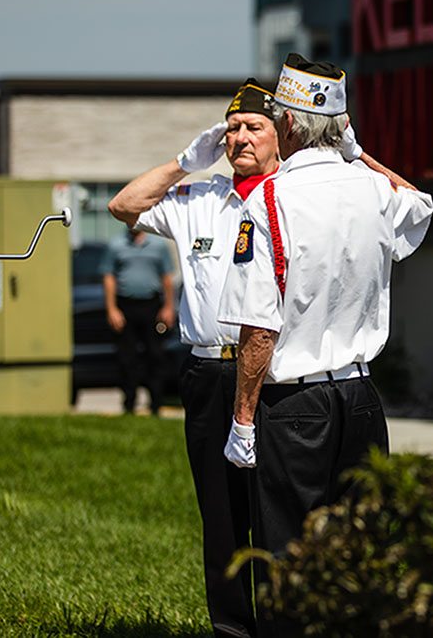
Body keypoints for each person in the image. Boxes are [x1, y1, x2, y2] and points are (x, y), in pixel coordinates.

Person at [218, 54, 433, 634]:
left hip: (294, 404)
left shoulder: (265, 202)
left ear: (286, 125)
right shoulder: (371, 189)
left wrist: (242, 419)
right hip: (361, 397)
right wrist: (358, 152)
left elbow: (258, 326)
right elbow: (420, 203)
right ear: (340, 125)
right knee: (359, 550)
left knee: (288, 557)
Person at [107, 78, 280, 637]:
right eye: (230, 129)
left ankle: (283, 624)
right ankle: (231, 629)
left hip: (275, 375)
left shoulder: (295, 197)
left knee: (275, 512)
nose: (239, 137)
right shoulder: (198, 200)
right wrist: (186, 161)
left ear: (283, 138)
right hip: (208, 370)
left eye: (253, 126)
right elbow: (123, 205)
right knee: (223, 516)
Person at [100, 227, 175, 416]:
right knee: (127, 357)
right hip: (125, 305)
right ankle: (129, 403)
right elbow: (109, 278)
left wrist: (168, 307)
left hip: (151, 305)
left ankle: (156, 403)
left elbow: (167, 278)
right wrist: (111, 309)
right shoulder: (116, 245)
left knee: (155, 355)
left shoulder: (158, 245)